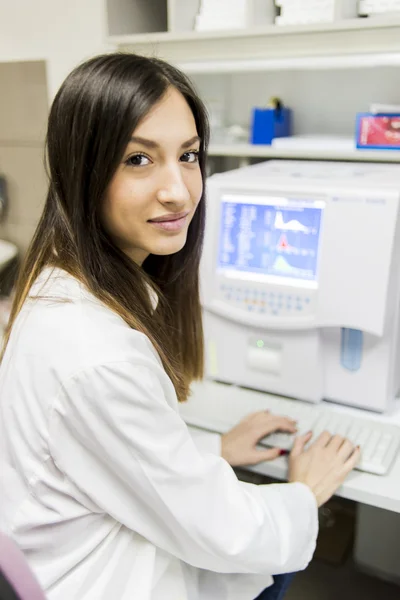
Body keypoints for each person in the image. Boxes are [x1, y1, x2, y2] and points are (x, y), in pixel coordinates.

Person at [0, 53, 360, 600]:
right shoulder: (96, 352)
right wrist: (305, 492)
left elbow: (115, 456)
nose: (179, 191)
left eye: (188, 156)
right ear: (83, 167)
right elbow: (224, 532)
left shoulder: (56, 282)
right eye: (139, 159)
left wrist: (212, 449)